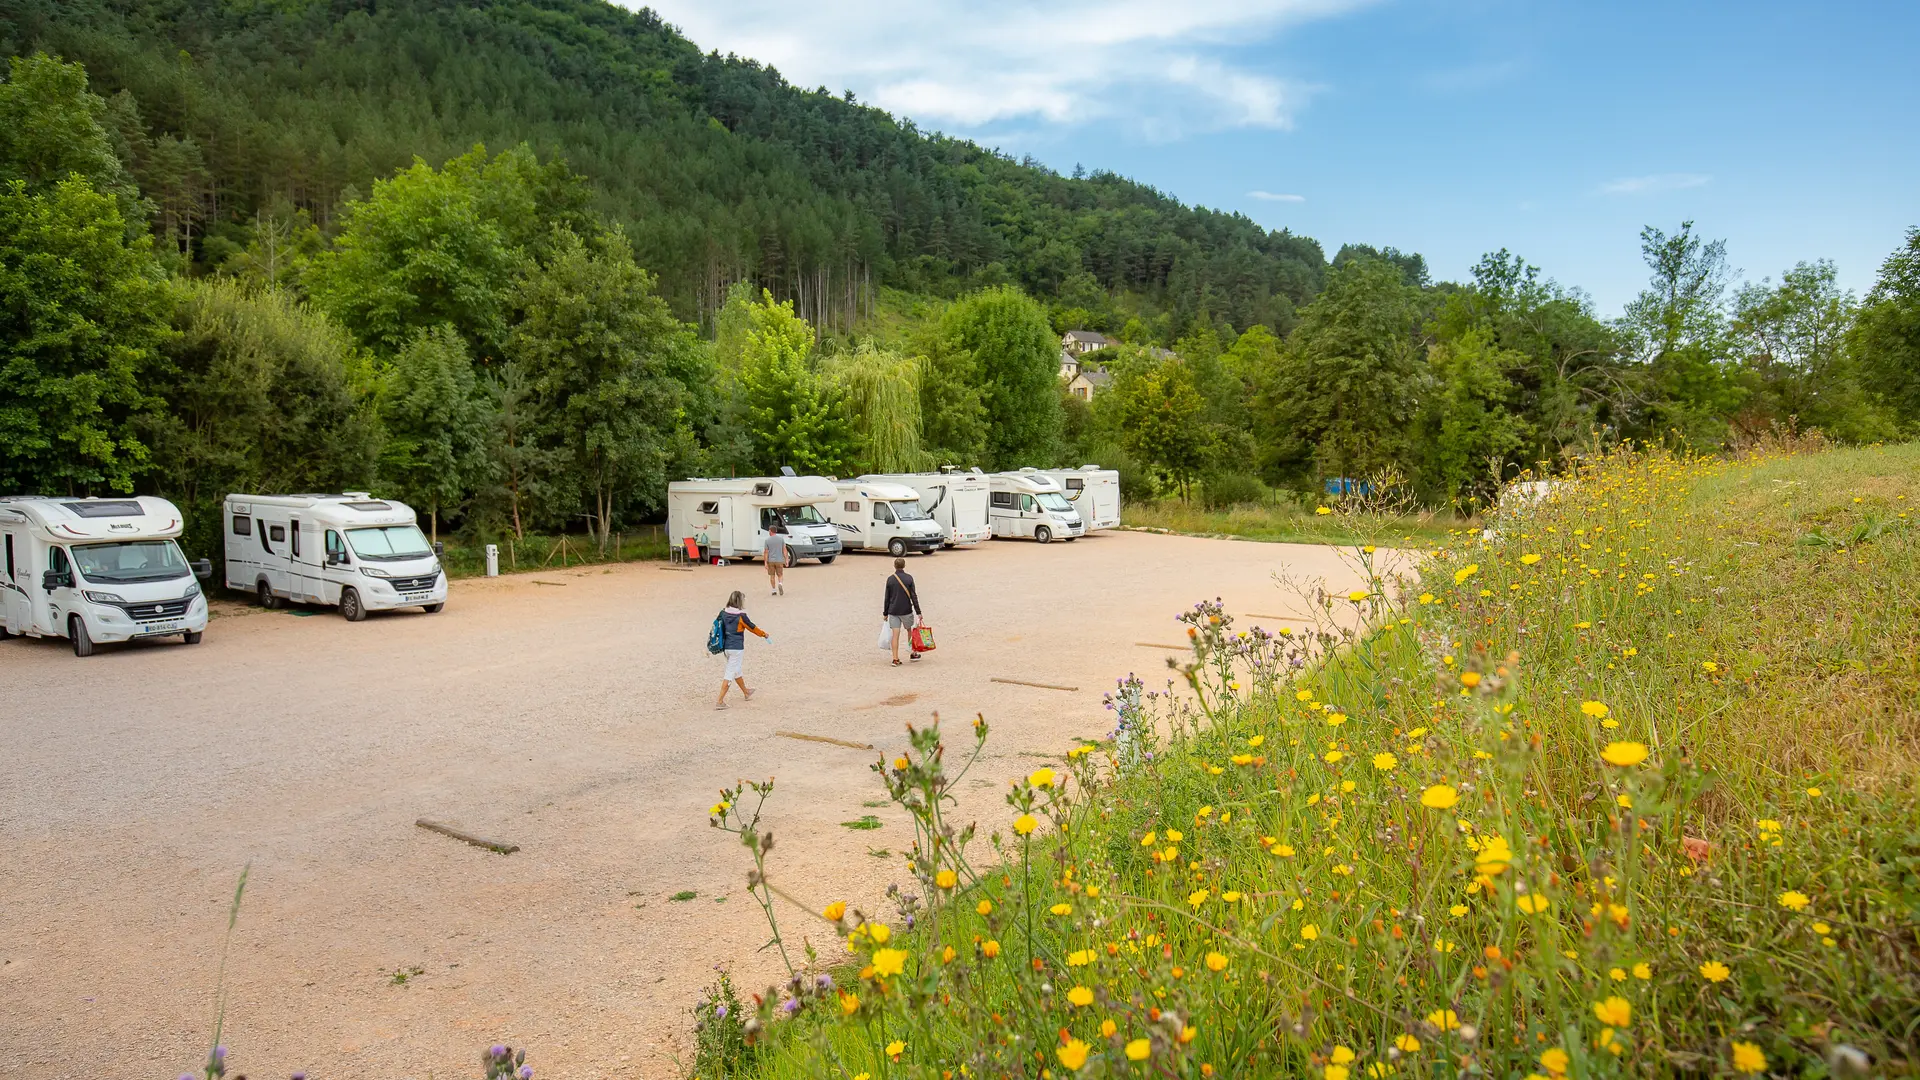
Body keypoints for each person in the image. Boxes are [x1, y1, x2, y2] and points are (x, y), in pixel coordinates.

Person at [715, 590, 769, 709]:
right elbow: (752, 628)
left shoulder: (723, 613)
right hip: (737, 647)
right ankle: (720, 701)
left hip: (726, 647)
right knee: (730, 673)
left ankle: (746, 692)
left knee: (736, 670)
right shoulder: (741, 616)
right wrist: (763, 634)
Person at [882, 557, 923, 667]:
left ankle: (895, 659)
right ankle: (913, 653)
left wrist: (885, 613)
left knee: (895, 635)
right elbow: (913, 596)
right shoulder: (909, 578)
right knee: (910, 631)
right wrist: (918, 611)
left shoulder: (890, 579)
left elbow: (887, 598)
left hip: (893, 611)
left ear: (894, 566)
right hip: (906, 610)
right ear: (904, 566)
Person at [764, 522, 791, 596]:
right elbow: (784, 550)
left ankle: (773, 590)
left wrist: (765, 562)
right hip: (779, 560)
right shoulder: (781, 539)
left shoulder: (767, 540)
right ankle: (780, 584)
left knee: (772, 575)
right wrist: (786, 559)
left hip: (771, 561)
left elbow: (766, 552)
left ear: (770, 531)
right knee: (780, 575)